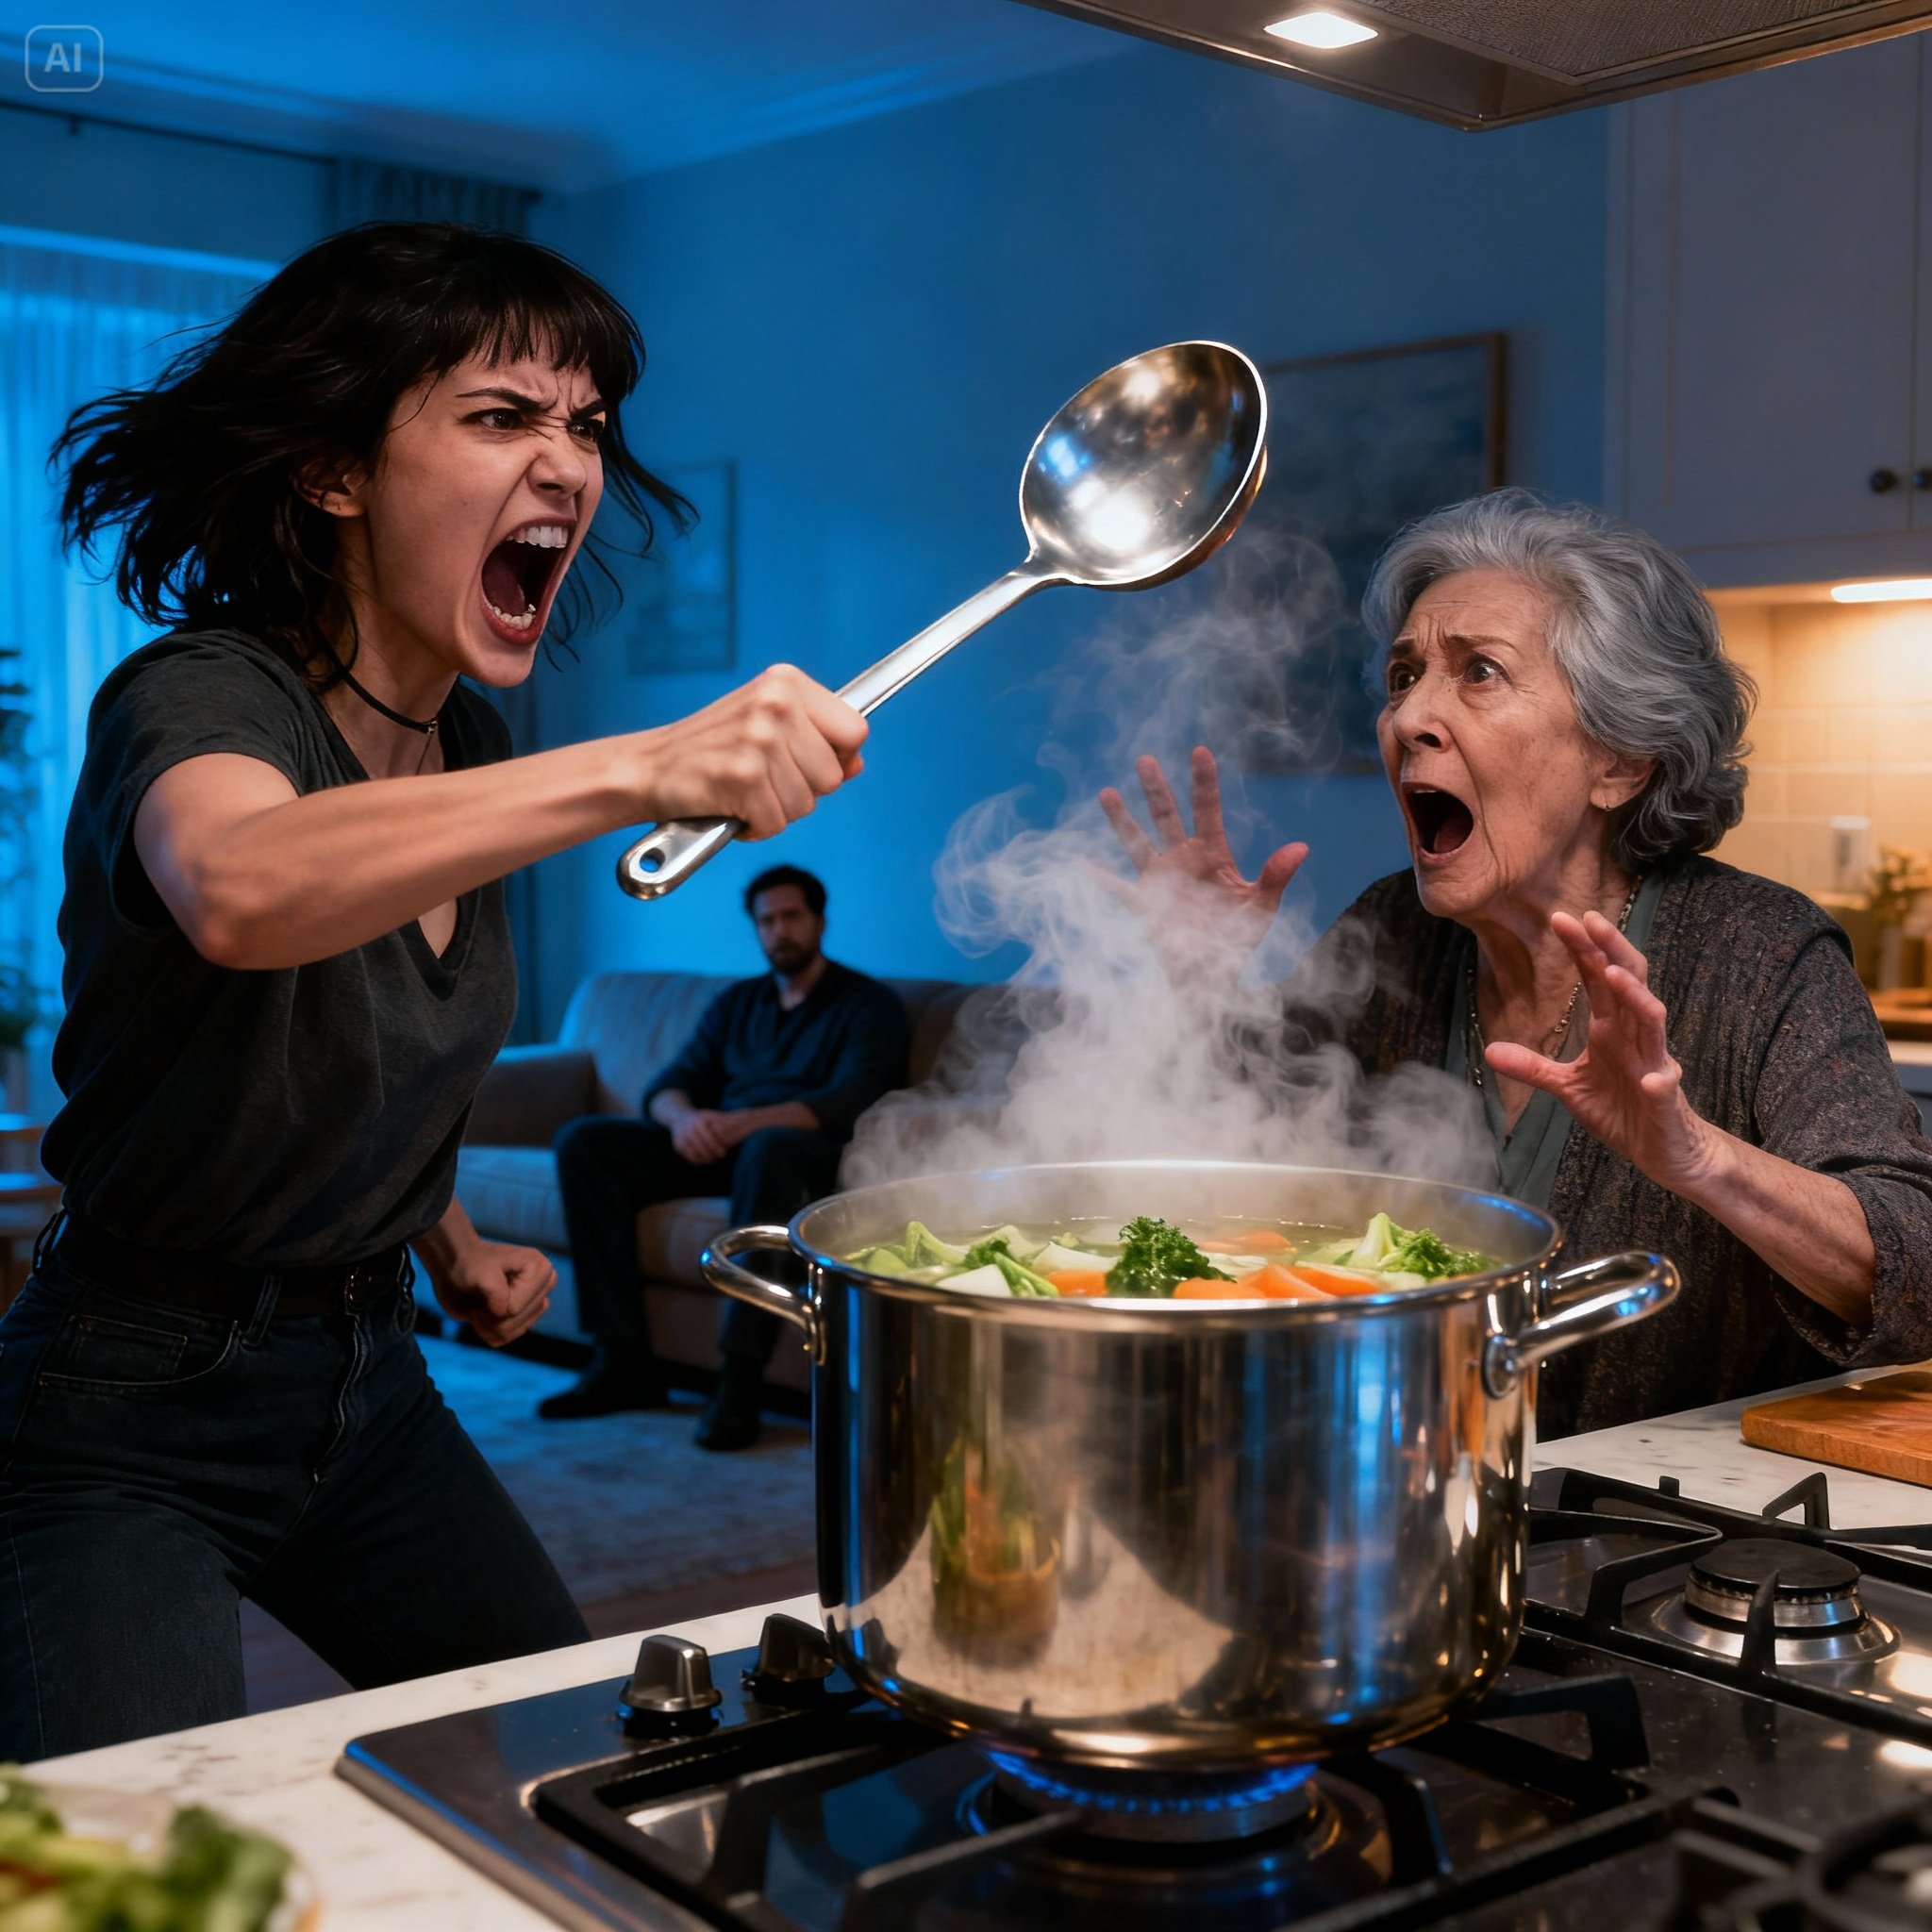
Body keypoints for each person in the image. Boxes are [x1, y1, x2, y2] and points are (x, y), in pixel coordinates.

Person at [0, 222, 870, 1760]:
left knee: (570, 1768)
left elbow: (357, 1060)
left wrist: (451, 1239)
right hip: (123, 1400)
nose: (569, 463)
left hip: (370, 1381)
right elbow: (247, 884)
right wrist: (641, 764)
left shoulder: (464, 748)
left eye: (585, 426)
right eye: (500, 416)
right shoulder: (202, 690)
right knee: (113, 1854)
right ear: (337, 471)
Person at [1103, 490, 1932, 1438]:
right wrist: (1195, 980)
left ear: (1617, 760)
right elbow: (1239, 1181)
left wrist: (1695, 1156)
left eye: (1478, 673)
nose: (1409, 714)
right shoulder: (1389, 933)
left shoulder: (1755, 949)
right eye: (1403, 674)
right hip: (1405, 1496)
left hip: (1673, 1541)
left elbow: (1912, 1266)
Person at [541, 863, 908, 1449]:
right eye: (767, 921)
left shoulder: (868, 1005)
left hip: (809, 1157)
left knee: (769, 1149)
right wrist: (685, 1119)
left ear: (818, 921)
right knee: (588, 1143)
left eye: (791, 917)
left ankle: (739, 1382)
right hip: (728, 1146)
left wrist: (740, 1123)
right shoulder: (739, 1002)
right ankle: (622, 1360)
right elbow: (669, 1083)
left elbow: (846, 1103)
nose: (779, 930)